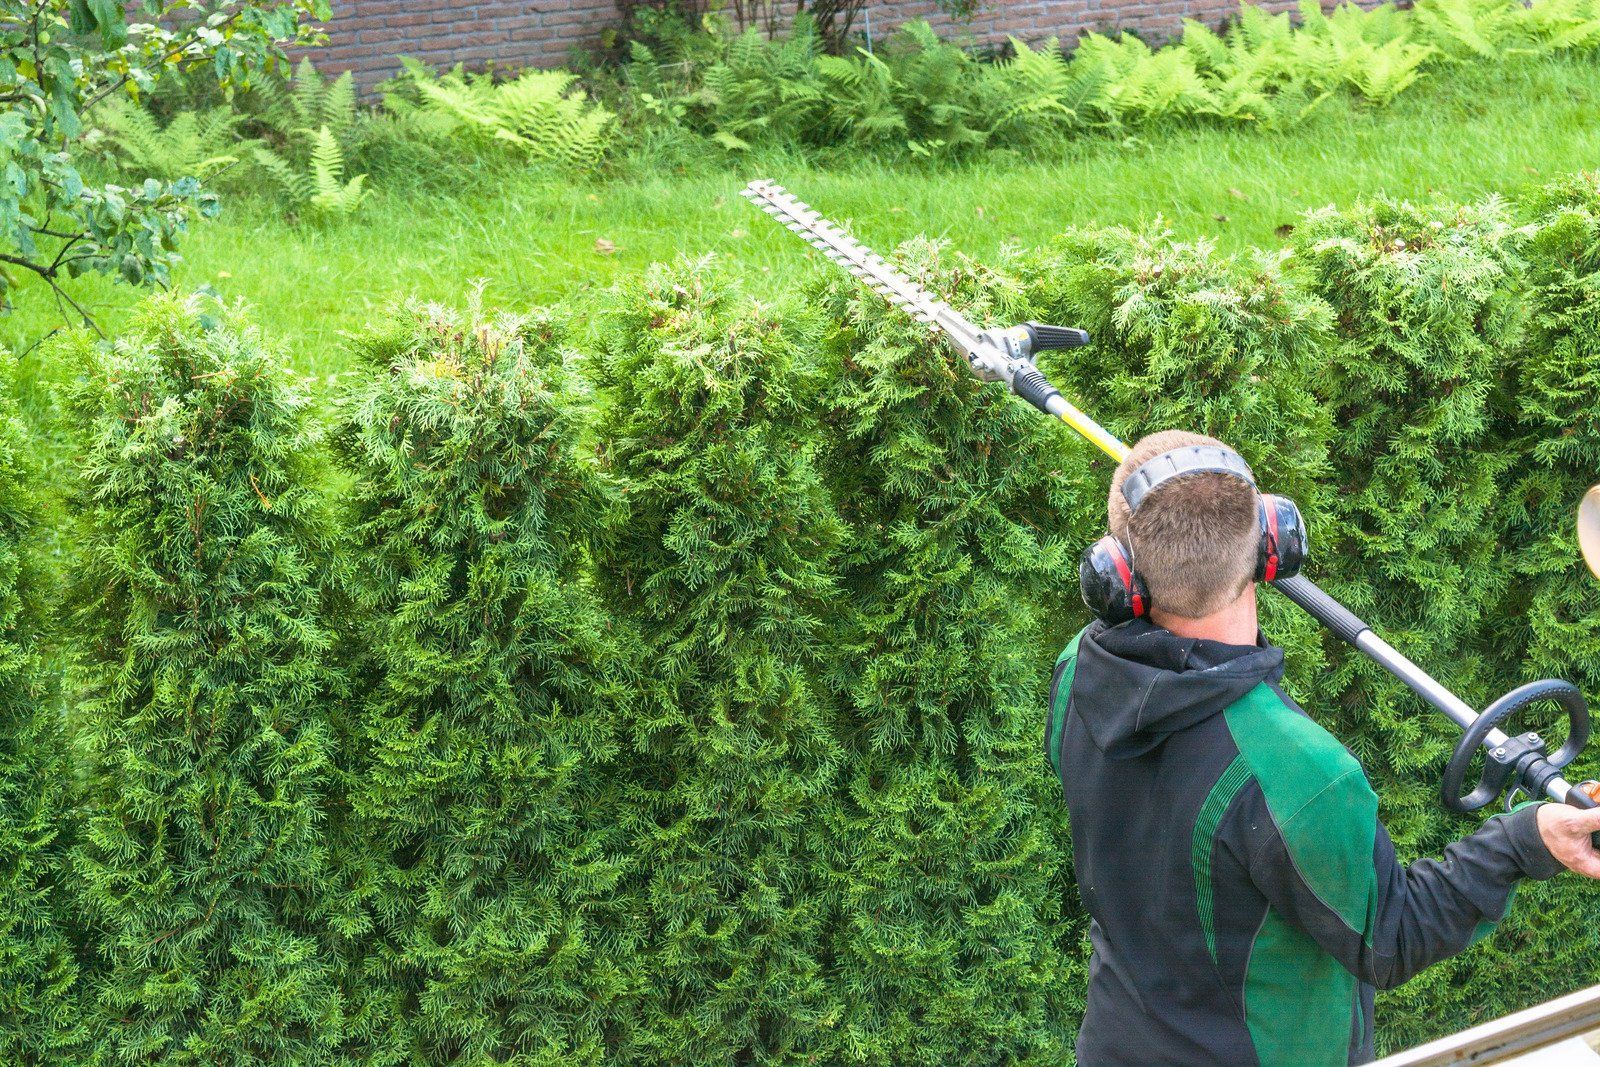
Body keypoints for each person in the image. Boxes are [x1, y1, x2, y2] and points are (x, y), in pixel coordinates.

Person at [1043, 428, 1600, 1067]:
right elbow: (1390, 936)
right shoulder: (1301, 773)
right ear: (1274, 546)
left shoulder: (1077, 674)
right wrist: (1526, 839)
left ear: (1115, 575)